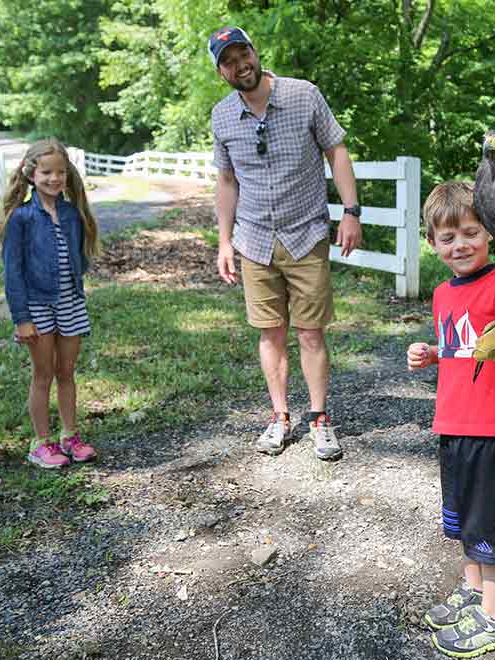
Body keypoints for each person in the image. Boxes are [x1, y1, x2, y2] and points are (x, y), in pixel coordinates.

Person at [208, 26, 362, 460]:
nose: (241, 65)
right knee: (270, 333)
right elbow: (225, 180)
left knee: (310, 333)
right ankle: (279, 417)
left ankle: (319, 419)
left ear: (255, 53)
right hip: (253, 240)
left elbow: (337, 151)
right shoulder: (222, 116)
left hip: (306, 233)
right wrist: (224, 241)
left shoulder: (303, 95)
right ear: (221, 71)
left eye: (244, 54)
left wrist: (351, 212)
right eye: (229, 61)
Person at [406, 181, 495, 656]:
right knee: (466, 522)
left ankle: (494, 618)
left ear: (488, 232)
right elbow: (461, 348)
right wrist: (433, 355)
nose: (460, 244)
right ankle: (472, 591)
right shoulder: (443, 293)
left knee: (491, 526)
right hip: (453, 426)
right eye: (448, 238)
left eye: (470, 232)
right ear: (433, 244)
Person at [0, 139, 100, 469]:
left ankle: (70, 436)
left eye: (61, 172)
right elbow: (13, 273)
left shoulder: (71, 213)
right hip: (37, 306)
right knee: (43, 374)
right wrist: (22, 318)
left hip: (69, 302)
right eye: (47, 172)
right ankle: (42, 443)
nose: (55, 178)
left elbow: (77, 257)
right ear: (31, 174)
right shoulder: (21, 218)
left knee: (66, 372)